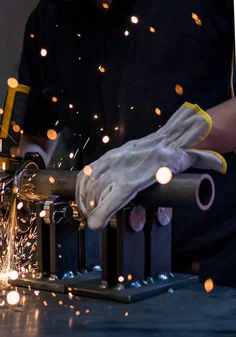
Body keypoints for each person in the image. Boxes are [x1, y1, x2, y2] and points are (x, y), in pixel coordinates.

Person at [17, 0, 236, 286]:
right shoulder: (48, 19)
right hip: (101, 269)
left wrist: (170, 145)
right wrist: (17, 178)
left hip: (217, 267)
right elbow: (35, 136)